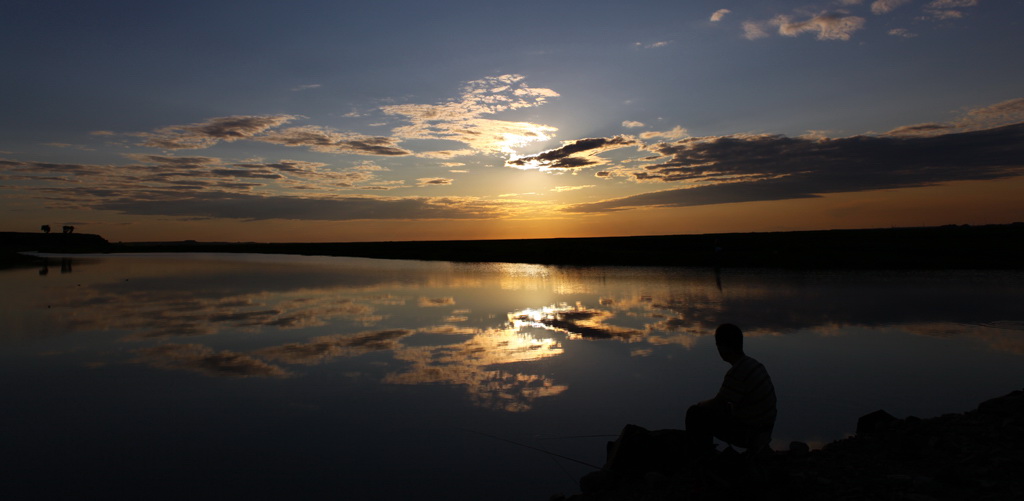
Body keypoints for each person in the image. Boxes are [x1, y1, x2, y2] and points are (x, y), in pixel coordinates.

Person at [685, 323, 777, 453]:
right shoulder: (754, 364)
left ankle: (702, 456)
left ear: (723, 347)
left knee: (695, 414)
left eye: (718, 345)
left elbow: (718, 403)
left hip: (752, 434)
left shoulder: (737, 372)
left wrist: (700, 405)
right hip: (764, 431)